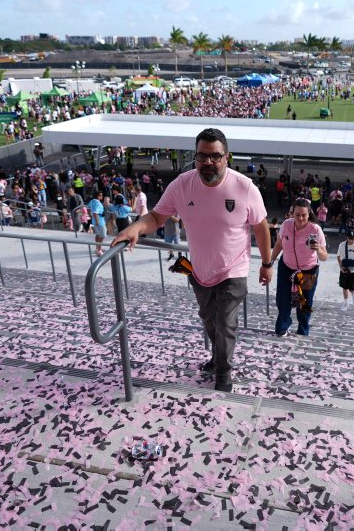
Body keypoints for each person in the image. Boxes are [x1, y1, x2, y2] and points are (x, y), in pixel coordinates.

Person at [112, 128, 272, 394]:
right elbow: (156, 217)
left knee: (225, 323)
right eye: (202, 157)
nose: (208, 162)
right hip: (199, 271)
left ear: (226, 157)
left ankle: (224, 370)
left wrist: (266, 264)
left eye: (215, 157)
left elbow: (260, 226)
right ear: (195, 158)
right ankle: (219, 357)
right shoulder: (181, 185)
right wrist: (134, 229)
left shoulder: (244, 187)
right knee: (209, 321)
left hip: (234, 269)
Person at [269, 198, 328, 336]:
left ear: (309, 214)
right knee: (282, 300)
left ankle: (302, 331)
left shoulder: (315, 229)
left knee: (304, 303)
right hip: (287, 266)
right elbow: (279, 244)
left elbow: (324, 257)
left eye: (304, 215)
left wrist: (318, 249)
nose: (300, 218)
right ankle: (282, 327)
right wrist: (270, 261)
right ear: (292, 214)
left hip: (308, 270)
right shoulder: (286, 225)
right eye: (297, 215)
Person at [336, 231, 354, 310]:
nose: (350, 240)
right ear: (347, 237)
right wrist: (341, 267)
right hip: (344, 268)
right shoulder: (342, 245)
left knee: (352, 288)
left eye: (352, 238)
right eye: (349, 238)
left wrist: (346, 262)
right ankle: (346, 302)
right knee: (344, 287)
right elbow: (338, 257)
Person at [87, 190, 107, 255]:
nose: (102, 196)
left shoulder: (92, 201)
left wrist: (90, 215)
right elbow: (95, 213)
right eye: (101, 195)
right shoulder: (97, 203)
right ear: (98, 196)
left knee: (98, 234)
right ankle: (99, 250)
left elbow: (88, 208)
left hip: (95, 220)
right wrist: (98, 221)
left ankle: (97, 248)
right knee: (102, 235)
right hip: (100, 221)